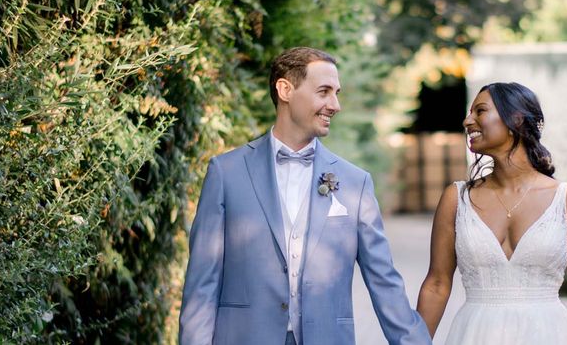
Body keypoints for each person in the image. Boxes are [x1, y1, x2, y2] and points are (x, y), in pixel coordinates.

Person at [179, 46, 432, 345]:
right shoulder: (227, 172)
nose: (335, 105)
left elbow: (384, 280)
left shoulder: (355, 183)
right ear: (285, 89)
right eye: (324, 91)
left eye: (336, 93)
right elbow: (202, 284)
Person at [417, 82, 567, 345]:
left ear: (515, 119)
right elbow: (437, 284)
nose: (467, 120)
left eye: (480, 111)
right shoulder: (455, 199)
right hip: (474, 335)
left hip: (548, 335)